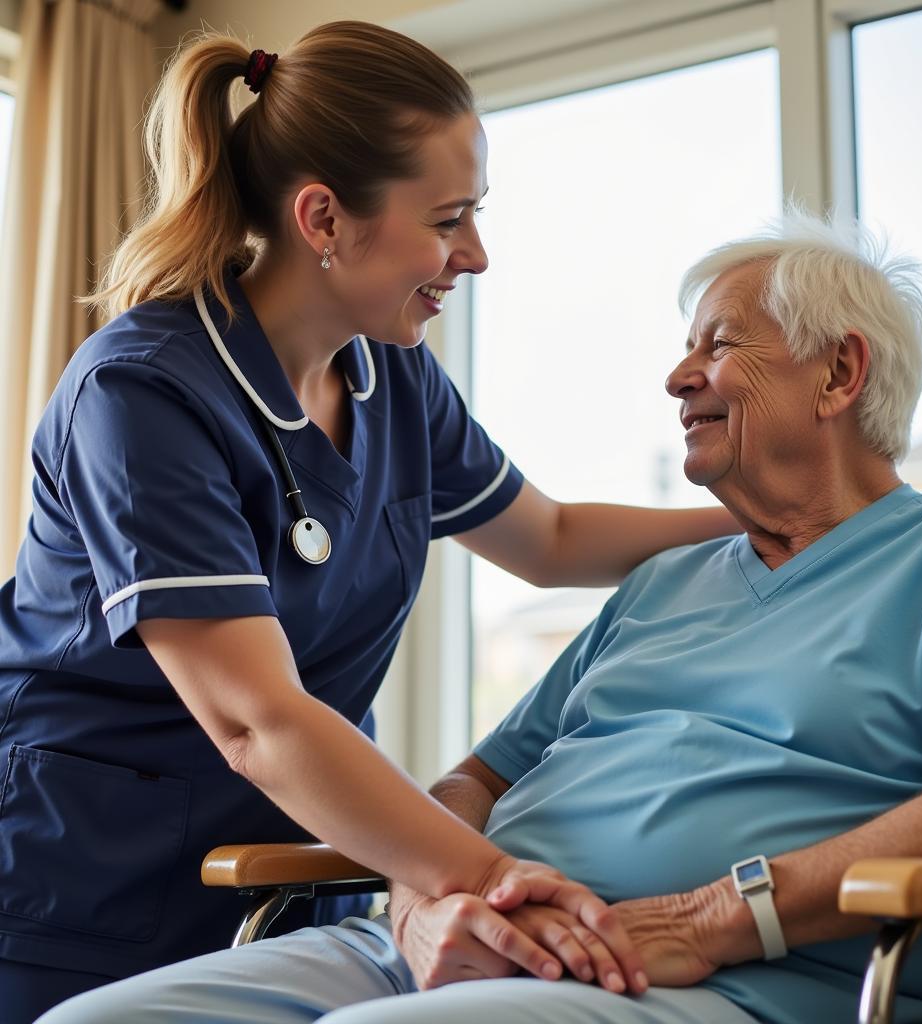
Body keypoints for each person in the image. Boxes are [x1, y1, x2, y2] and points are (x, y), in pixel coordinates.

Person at [41, 211, 922, 1024]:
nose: (677, 378)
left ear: (838, 375)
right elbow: (472, 780)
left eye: (717, 347)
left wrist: (721, 916)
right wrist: (425, 898)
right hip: (454, 945)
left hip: (705, 977)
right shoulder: (666, 581)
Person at [0, 21, 742, 1023]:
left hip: (288, 879)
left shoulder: (390, 375)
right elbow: (255, 718)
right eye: (449, 219)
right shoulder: (141, 395)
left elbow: (551, 538)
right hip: (76, 888)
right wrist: (500, 881)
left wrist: (776, 518)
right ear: (323, 218)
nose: (474, 255)